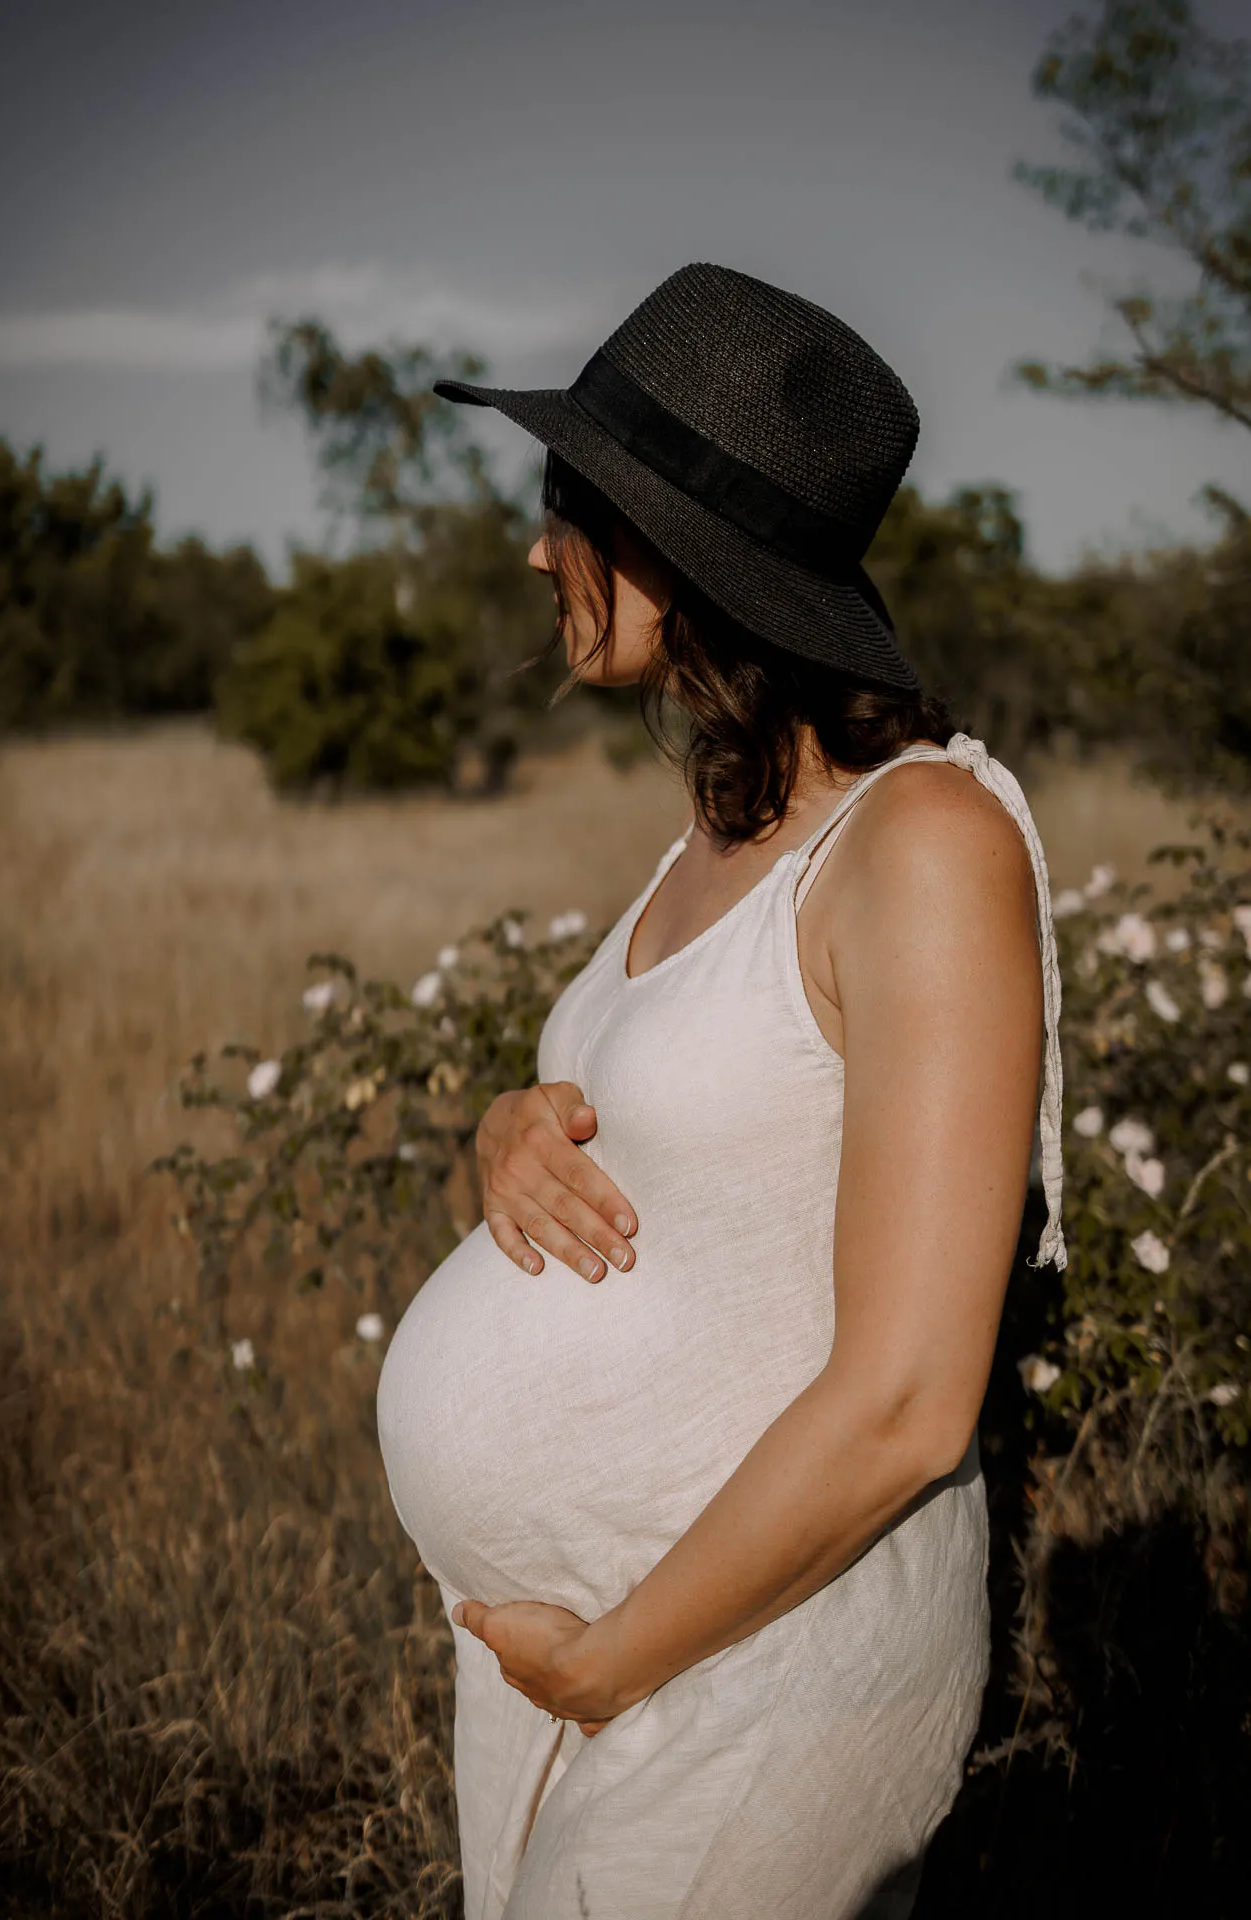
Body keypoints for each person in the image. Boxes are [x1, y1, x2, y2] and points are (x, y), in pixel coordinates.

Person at [376, 262, 1067, 1920]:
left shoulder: (925, 845)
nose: (538, 544)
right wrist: (509, 1132)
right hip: (607, 1659)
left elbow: (910, 1395)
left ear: (678, 550)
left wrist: (620, 1663)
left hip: (760, 1667)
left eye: (568, 497)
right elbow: (695, 1141)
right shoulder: (722, 831)